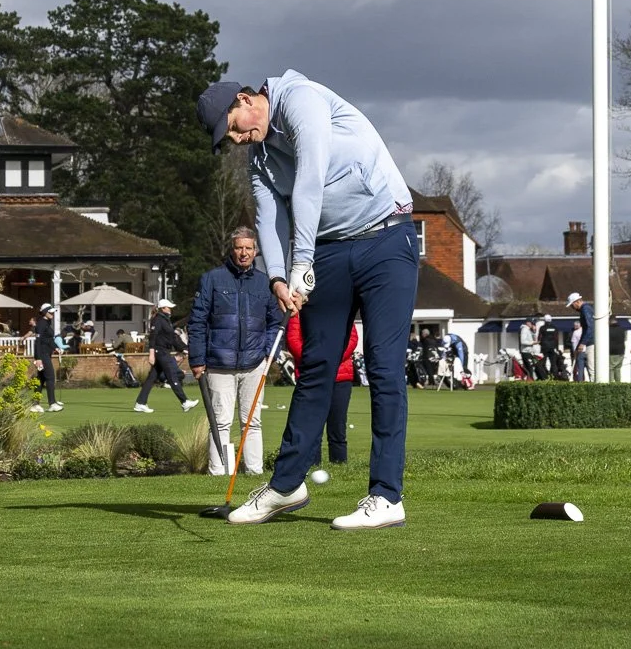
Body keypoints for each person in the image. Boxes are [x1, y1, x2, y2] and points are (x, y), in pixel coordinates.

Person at [199, 73, 419, 530]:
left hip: (387, 238)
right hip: (332, 250)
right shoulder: (259, 161)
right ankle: (286, 486)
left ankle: (386, 495)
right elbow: (268, 218)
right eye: (229, 138)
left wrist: (302, 260)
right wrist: (278, 277)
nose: (237, 139)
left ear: (245, 99)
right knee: (316, 366)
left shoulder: (300, 99)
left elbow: (311, 181)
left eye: (234, 127)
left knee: (382, 366)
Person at [190, 227, 284, 476]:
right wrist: (197, 359)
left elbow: (275, 322)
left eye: (249, 248)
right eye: (239, 247)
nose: (244, 253)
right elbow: (198, 321)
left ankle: (254, 472)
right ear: (231, 249)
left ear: (256, 251)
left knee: (252, 421)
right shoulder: (212, 279)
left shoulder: (265, 282)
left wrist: (268, 353)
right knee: (220, 421)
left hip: (255, 363)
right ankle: (218, 472)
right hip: (219, 364)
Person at [287, 309, 358, 463]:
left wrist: (330, 359)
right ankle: (312, 463)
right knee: (312, 425)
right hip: (312, 374)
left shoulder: (343, 307)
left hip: (340, 375)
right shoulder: (299, 310)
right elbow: (293, 339)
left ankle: (339, 464)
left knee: (337, 426)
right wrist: (316, 360)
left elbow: (352, 339)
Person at [132, 299, 197, 413]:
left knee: (151, 378)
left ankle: (140, 403)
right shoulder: (158, 320)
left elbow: (172, 338)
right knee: (172, 375)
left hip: (164, 351)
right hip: (160, 352)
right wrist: (151, 353)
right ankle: (184, 402)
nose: (170, 309)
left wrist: (184, 349)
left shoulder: (166, 321)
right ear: (163, 308)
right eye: (168, 307)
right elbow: (153, 337)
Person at [28, 313, 63, 412]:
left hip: (46, 354)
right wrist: (38, 358)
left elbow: (49, 340)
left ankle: (35, 404)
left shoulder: (47, 323)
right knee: (50, 377)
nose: (52, 314)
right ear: (45, 312)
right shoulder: (41, 324)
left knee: (41, 379)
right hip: (42, 355)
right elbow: (38, 342)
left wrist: (56, 347)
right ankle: (52, 403)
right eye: (50, 312)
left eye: (53, 312)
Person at [565, 292, 596, 382]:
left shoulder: (585, 309)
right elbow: (585, 330)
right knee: (592, 369)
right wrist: (579, 346)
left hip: (591, 342)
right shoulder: (585, 309)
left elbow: (590, 327)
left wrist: (583, 343)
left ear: (576, 302)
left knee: (592, 369)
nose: (572, 308)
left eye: (572, 305)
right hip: (590, 341)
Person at [518, 315, 545, 380]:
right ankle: (530, 381)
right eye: (532, 323)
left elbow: (533, 338)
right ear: (527, 322)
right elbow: (523, 341)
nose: (533, 324)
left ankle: (536, 379)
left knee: (536, 365)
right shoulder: (524, 329)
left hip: (530, 352)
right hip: (526, 352)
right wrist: (533, 343)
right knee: (529, 368)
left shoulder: (529, 330)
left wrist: (534, 331)